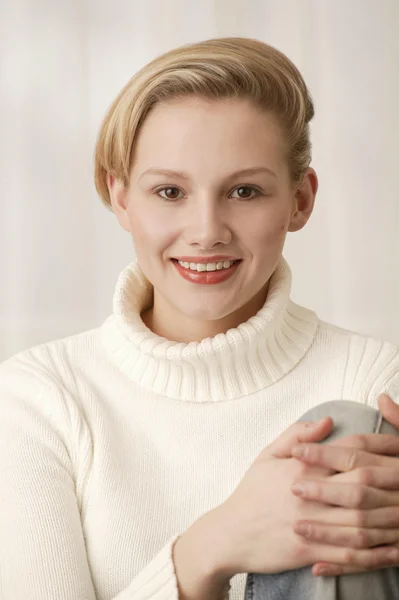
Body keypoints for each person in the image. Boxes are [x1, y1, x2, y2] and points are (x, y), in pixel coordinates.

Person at [1, 36, 399, 600]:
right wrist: (212, 546)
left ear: (300, 201)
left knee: (351, 428)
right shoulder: (38, 400)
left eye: (244, 190)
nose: (207, 229)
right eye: (169, 191)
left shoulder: (378, 383)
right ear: (121, 199)